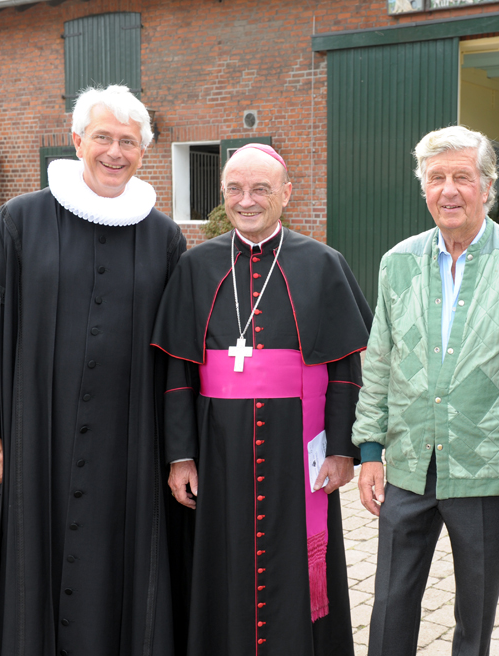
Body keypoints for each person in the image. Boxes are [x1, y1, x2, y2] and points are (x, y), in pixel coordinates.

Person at [0, 84, 184, 656]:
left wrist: (180, 448)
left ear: (143, 151)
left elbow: (183, 352)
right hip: (35, 435)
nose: (115, 151)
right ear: (77, 139)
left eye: (128, 142)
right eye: (102, 137)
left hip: (128, 444)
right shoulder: (18, 222)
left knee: (120, 567)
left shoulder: (163, 238)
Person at [151, 143, 372, 655]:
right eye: (234, 189)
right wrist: (181, 455)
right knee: (222, 559)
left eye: (260, 190)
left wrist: (342, 449)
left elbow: (344, 369)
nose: (246, 200)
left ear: (286, 194)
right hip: (218, 447)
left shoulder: (322, 263)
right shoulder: (196, 265)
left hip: (298, 448)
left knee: (299, 561)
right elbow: (179, 372)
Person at [353, 125, 499, 656]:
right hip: (408, 461)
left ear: (488, 186)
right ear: (423, 187)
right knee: (390, 601)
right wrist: (371, 450)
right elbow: (379, 358)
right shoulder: (398, 261)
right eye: (436, 177)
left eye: (462, 178)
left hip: (489, 466)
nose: (449, 190)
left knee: (476, 609)